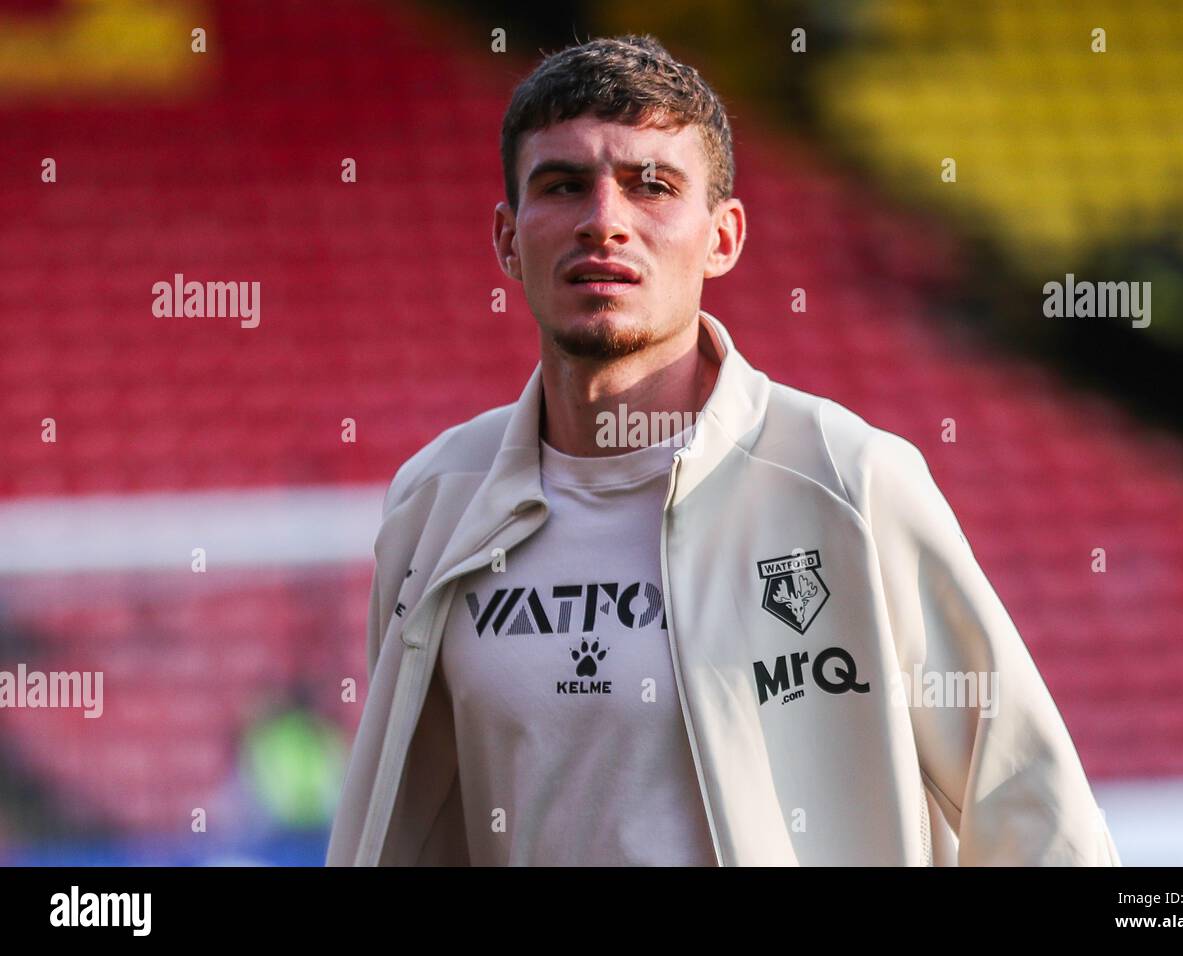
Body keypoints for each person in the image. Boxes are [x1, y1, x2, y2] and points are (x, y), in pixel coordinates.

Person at [326, 34, 1121, 866]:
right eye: (563, 186)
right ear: (507, 239)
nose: (605, 222)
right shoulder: (435, 501)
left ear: (723, 237)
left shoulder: (846, 478)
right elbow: (409, 820)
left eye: (653, 187)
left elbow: (1034, 810)